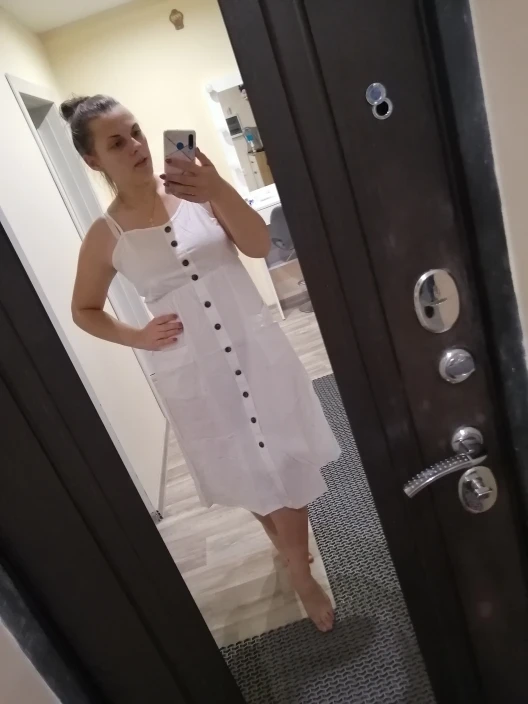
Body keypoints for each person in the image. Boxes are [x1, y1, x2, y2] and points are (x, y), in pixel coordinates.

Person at [66, 94, 340, 632]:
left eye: (136, 131)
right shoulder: (105, 236)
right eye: (116, 142)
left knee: (283, 453)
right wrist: (138, 336)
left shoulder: (195, 189)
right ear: (93, 160)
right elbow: (83, 309)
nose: (136, 146)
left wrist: (217, 190)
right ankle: (285, 545)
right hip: (193, 370)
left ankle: (300, 572)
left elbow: (258, 246)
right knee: (242, 462)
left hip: (253, 348)